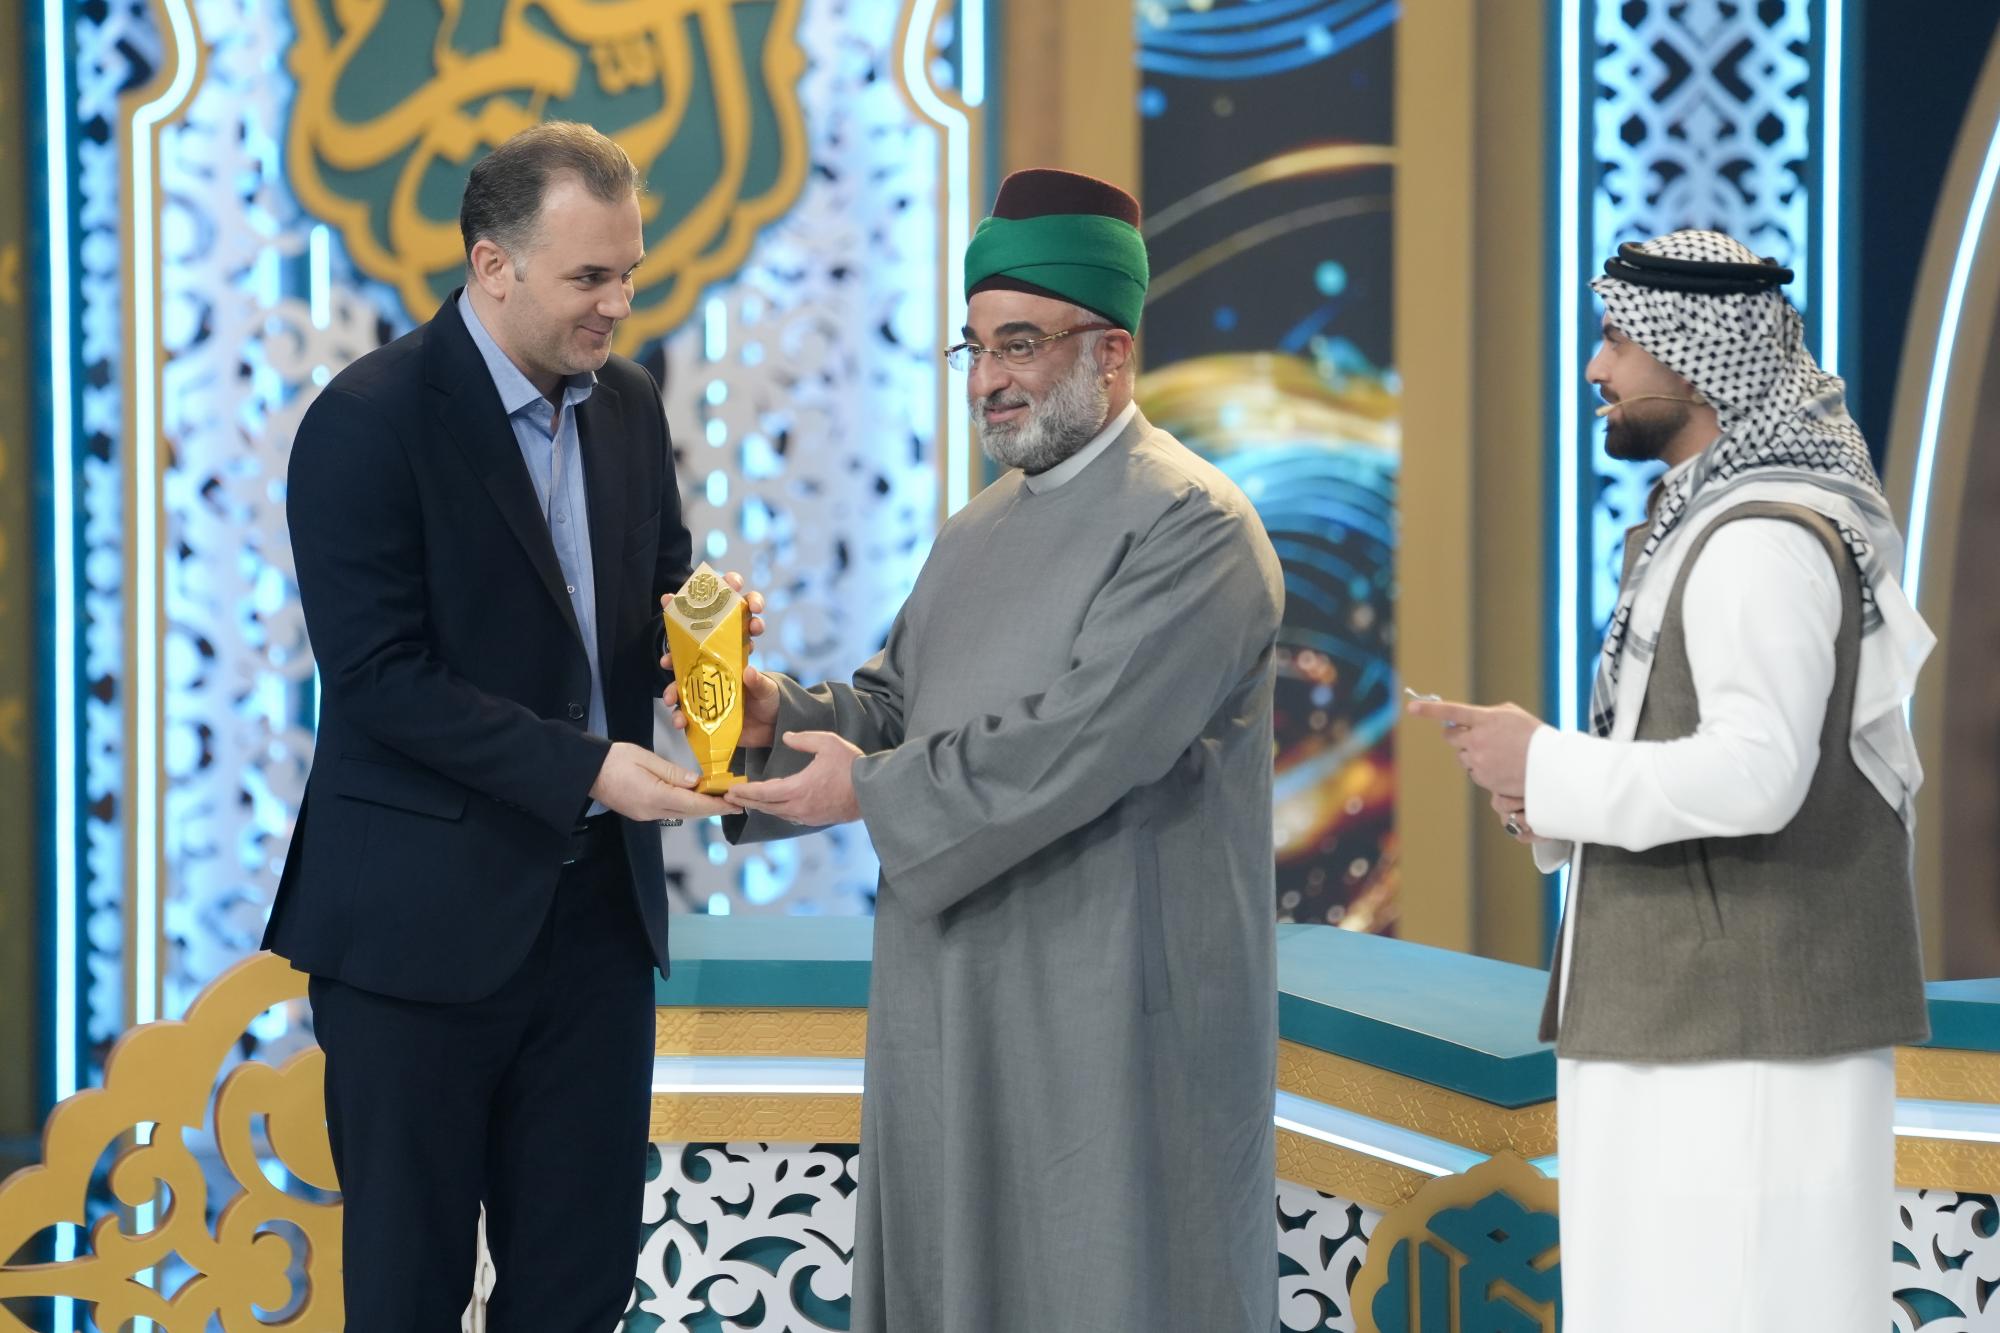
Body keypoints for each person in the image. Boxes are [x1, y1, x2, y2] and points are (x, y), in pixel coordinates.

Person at [671, 168, 1285, 1331]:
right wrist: (767, 717)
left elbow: (1081, 742)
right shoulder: (975, 528)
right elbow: (898, 707)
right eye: (974, 348)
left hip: (1108, 1007)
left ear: (1110, 352)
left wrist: (869, 790)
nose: (988, 380)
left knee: (1103, 1280)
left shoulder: (1193, 526)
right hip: (951, 992)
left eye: (1019, 346)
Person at [267, 121, 757, 1330]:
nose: (619, 304)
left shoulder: (627, 405)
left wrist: (708, 640)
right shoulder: (368, 419)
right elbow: (380, 679)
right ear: (493, 265)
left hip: (595, 932)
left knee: (578, 1293)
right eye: (590, 277)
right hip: (414, 938)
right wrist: (590, 767)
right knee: (409, 1294)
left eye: (628, 272)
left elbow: (653, 603)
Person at [1411, 229, 1933, 1331]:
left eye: (1617, 339)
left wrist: (1548, 763)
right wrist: (1541, 797)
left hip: (1744, 1039)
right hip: (1695, 1024)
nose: (1594, 367)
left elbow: (1758, 775)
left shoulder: (1758, 539)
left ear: (1698, 360)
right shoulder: (1705, 521)